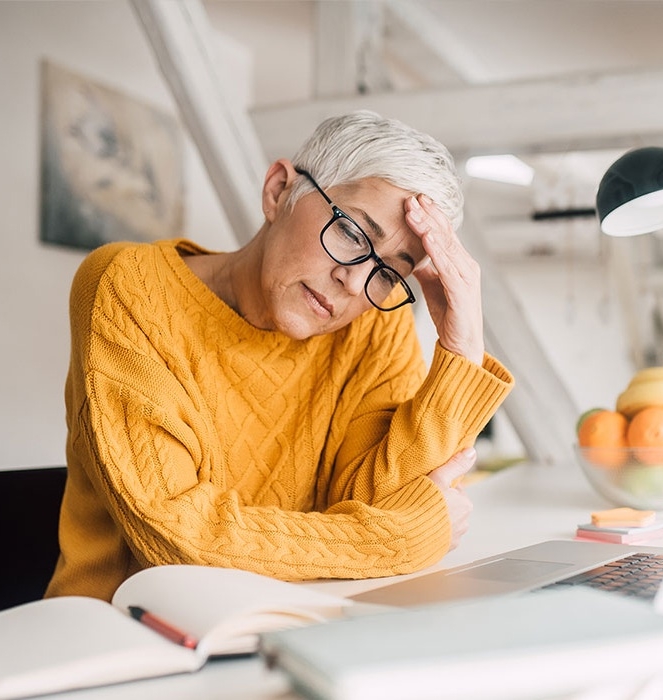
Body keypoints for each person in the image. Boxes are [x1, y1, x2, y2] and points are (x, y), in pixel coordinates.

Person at [45, 110, 514, 602]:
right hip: (120, 640)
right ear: (278, 191)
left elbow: (396, 501)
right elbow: (176, 538)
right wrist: (402, 537)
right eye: (353, 234)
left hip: (292, 625)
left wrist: (461, 353)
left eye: (388, 272)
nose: (355, 282)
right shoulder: (130, 287)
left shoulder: (374, 320)